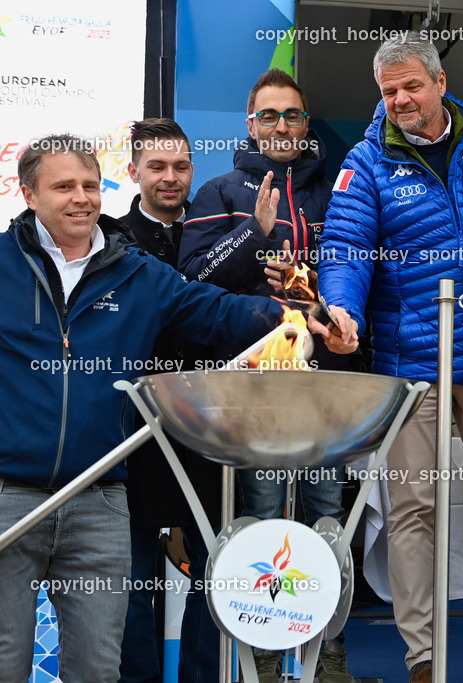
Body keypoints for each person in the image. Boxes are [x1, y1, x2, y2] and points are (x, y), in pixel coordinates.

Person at [0, 134, 285, 682]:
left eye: (89, 185)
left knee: (98, 670)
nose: (82, 198)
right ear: (30, 194)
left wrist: (294, 318)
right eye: (64, 187)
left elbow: (219, 312)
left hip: (101, 503)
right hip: (11, 498)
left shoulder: (135, 273)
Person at [316, 36, 463, 683]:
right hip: (408, 359)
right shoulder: (366, 161)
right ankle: (421, 655)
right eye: (389, 91)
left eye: (410, 87)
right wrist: (343, 312)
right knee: (412, 507)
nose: (400, 100)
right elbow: (344, 246)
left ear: (440, 81)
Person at [177, 69, 354, 683]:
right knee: (261, 518)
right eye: (269, 116)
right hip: (253, 393)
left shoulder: (340, 190)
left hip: (325, 385)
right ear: (250, 124)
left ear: (307, 125)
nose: (282, 126)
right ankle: (267, 659)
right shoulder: (220, 191)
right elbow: (194, 281)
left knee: (326, 518)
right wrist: (253, 234)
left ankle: (326, 652)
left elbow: (360, 275)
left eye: (293, 116)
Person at [116, 117, 199, 683]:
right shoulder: (107, 237)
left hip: (209, 430)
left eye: (181, 167)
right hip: (132, 434)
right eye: (158, 167)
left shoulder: (217, 232)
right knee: (129, 584)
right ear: (134, 172)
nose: (170, 178)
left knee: (221, 572)